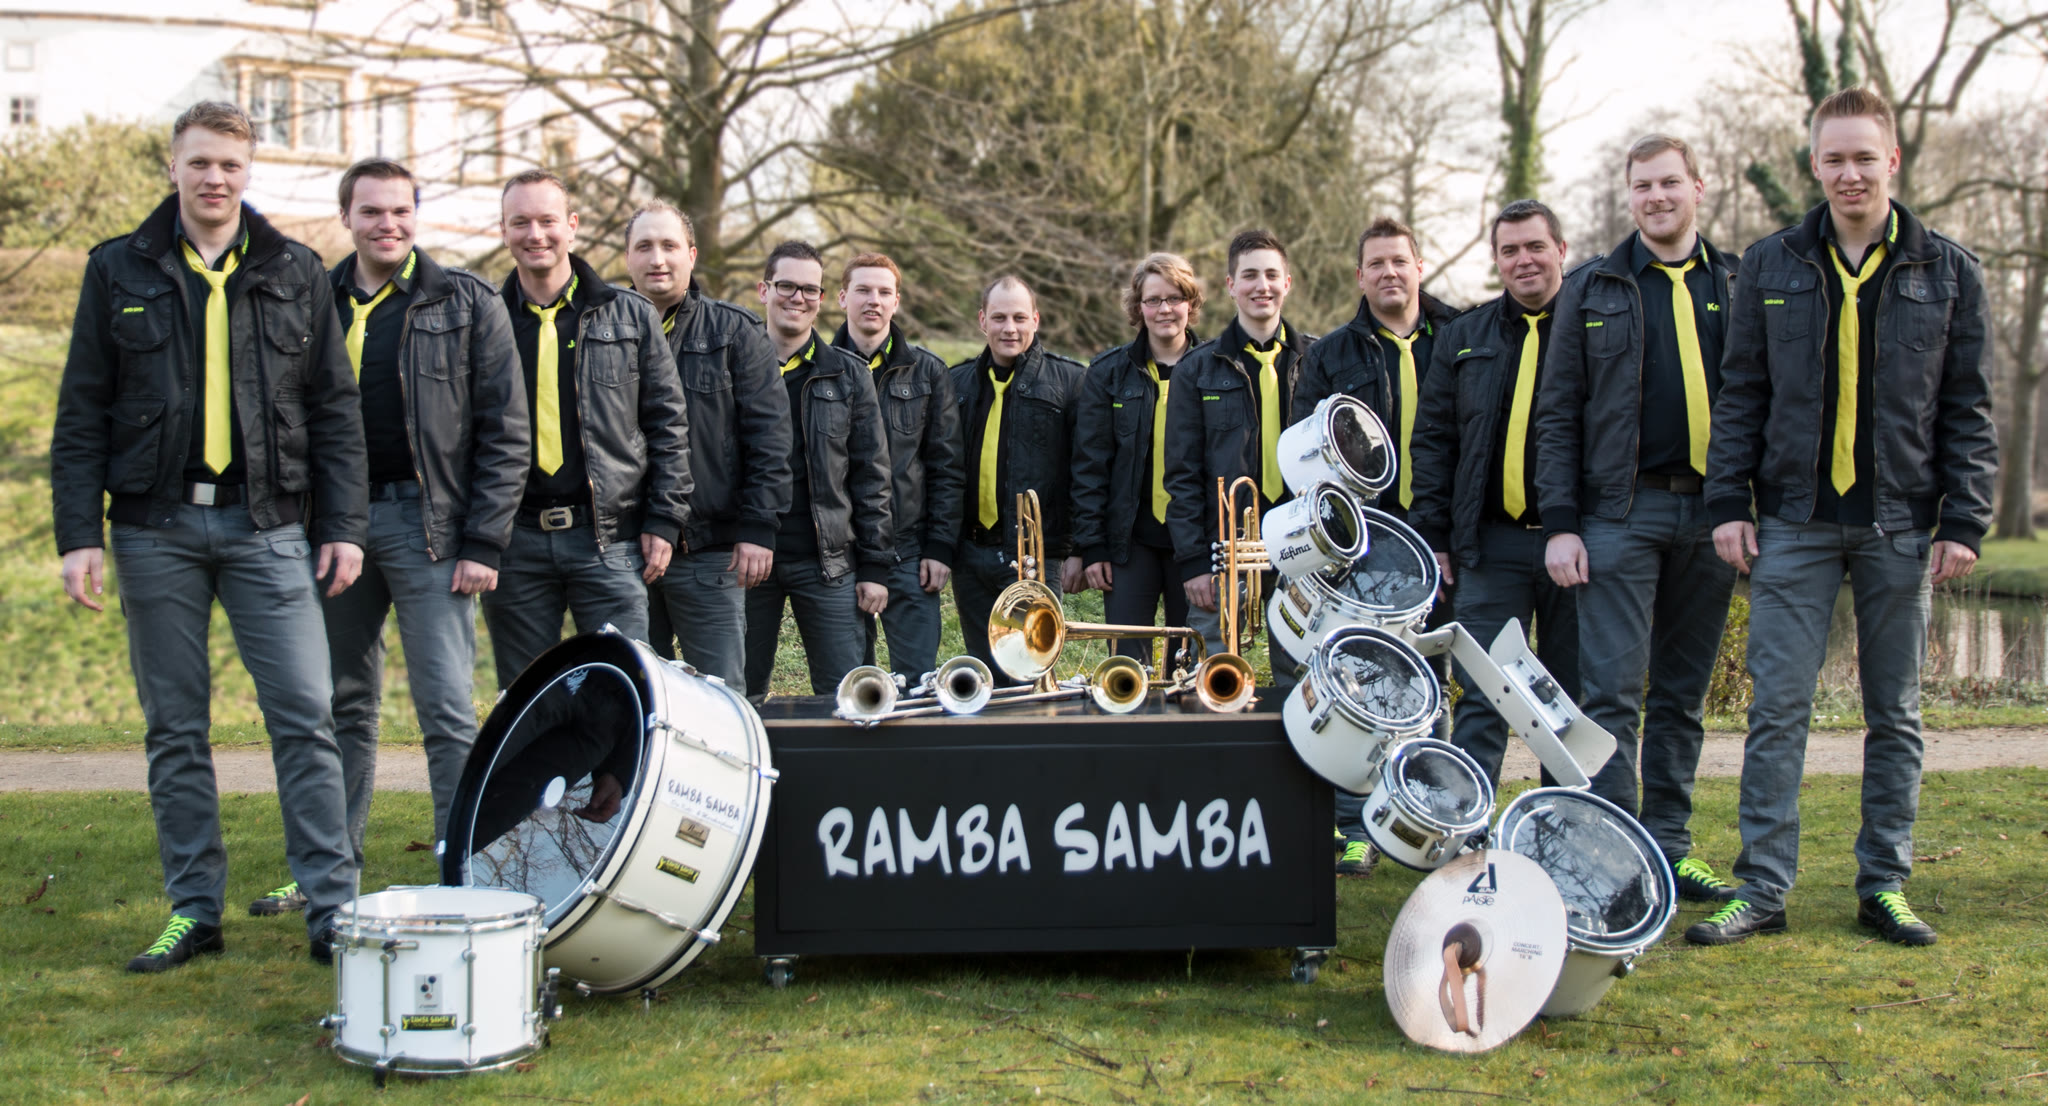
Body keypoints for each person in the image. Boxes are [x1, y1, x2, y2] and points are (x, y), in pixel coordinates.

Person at [51, 101, 366, 969]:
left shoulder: (297, 270)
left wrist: (343, 525)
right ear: (173, 167)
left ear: (248, 170)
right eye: (199, 162)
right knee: (175, 728)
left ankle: (333, 910)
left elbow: (334, 412)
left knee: (305, 717)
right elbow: (82, 408)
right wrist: (78, 534)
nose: (215, 178)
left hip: (269, 527)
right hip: (153, 529)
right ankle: (195, 911)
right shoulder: (117, 269)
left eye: (229, 163)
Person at [1687, 89, 1996, 947]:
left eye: (1865, 157)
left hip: (1902, 526)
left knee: (1894, 714)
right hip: (1793, 525)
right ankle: (1763, 889)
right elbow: (1741, 394)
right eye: (1835, 159)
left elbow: (1968, 408)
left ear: (1891, 161)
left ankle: (1884, 885)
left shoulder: (1948, 272)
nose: (1850, 173)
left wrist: (1965, 521)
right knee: (1777, 711)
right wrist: (1728, 504)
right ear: (1815, 165)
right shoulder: (1771, 266)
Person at [242, 158, 530, 919]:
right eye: (371, 211)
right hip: (331, 529)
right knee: (337, 705)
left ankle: (459, 867)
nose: (387, 224)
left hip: (431, 530)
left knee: (446, 711)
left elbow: (506, 431)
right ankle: (327, 870)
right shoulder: (308, 300)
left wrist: (484, 540)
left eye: (400, 210)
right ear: (347, 217)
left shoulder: (465, 302)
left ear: (415, 215)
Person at [1532, 135, 1740, 905]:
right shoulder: (1591, 288)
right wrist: (1561, 522)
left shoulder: (1739, 283)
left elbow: (1760, 401)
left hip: (1714, 513)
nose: (1656, 197)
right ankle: (1623, 862)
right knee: (1612, 694)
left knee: (1682, 695)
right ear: (1630, 196)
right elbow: (1558, 412)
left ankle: (1674, 847)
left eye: (1669, 183)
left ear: (1698, 187)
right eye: (1643, 186)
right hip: (1621, 512)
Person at [482, 170, 693, 687]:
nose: (535, 234)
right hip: (515, 542)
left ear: (571, 226)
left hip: (608, 541)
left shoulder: (630, 315)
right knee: (527, 698)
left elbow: (667, 424)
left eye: (548, 220)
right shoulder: (484, 319)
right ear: (503, 230)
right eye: (520, 222)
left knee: (622, 692)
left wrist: (664, 518)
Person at [1294, 218, 1459, 876]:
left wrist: (1451, 533)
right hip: (1369, 547)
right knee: (1360, 683)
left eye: (1400, 260)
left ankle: (1432, 818)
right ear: (1360, 276)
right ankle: (1354, 825)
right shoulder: (1330, 355)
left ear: (1419, 266)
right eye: (1376, 264)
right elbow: (1308, 456)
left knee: (1434, 685)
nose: (1389, 272)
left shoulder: (1462, 337)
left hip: (1448, 540)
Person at [1409, 200, 1580, 786]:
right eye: (1510, 250)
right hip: (1488, 546)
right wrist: (1436, 535)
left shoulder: (1593, 329)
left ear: (1561, 250)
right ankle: (1469, 823)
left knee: (1568, 699)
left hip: (1575, 544)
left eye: (1535, 247)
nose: (1523, 260)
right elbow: (1434, 441)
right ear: (1497, 260)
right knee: (1483, 696)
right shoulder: (1464, 335)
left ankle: (1562, 823)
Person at [623, 201, 790, 688]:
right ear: (628, 257)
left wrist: (758, 526)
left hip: (709, 551)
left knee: (721, 695)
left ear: (691, 255)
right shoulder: (602, 329)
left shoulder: (735, 331)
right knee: (632, 694)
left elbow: (770, 437)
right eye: (644, 247)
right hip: (623, 551)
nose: (658, 259)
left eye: (669, 246)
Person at [741, 240, 895, 699]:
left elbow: (871, 476)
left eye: (809, 289)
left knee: (844, 696)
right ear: (764, 290)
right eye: (786, 286)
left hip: (827, 562)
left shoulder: (848, 374)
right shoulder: (734, 366)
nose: (798, 298)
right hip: (747, 559)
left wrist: (875, 565)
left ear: (823, 298)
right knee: (740, 694)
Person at [1161, 229, 1311, 687]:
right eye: (1249, 275)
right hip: (1223, 548)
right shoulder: (1195, 368)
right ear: (1231, 285)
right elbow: (1182, 475)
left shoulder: (1320, 359)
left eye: (1271, 275)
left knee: (1303, 677)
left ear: (1287, 283)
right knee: (1212, 680)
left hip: (1303, 546)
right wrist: (1194, 562)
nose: (1261, 286)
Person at [1070, 253, 1203, 682]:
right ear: (1138, 306)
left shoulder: (1214, 368)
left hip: (1195, 543)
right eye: (1153, 300)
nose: (1165, 309)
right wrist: (1092, 545)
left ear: (1190, 303)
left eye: (1175, 298)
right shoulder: (1108, 373)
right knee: (1127, 668)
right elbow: (1090, 465)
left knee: (1192, 665)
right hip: (1130, 545)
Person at [831, 253, 963, 685]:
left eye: (884, 292)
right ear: (842, 298)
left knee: (919, 680)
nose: (874, 300)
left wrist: (939, 547)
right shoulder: (821, 369)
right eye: (863, 290)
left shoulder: (928, 372)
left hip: (909, 548)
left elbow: (946, 467)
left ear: (896, 301)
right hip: (840, 550)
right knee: (849, 684)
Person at [949, 275, 1085, 684]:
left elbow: (1086, 471)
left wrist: (1080, 548)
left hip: (1033, 556)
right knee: (985, 675)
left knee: (1030, 671)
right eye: (999, 318)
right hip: (970, 554)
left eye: (1019, 318)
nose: (1009, 328)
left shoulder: (1071, 382)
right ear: (982, 321)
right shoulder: (955, 382)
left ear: (1035, 320)